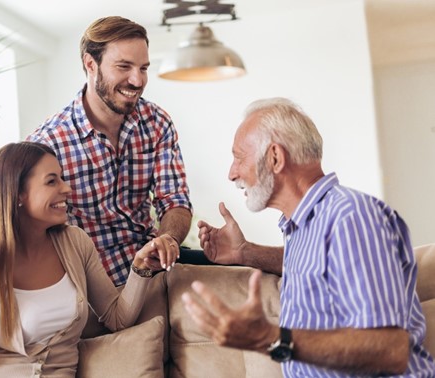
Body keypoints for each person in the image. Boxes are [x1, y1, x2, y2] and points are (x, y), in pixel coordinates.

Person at [0, 15, 209, 287]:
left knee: (232, 269)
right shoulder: (50, 140)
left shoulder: (157, 122)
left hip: (153, 268)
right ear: (90, 64)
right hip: (95, 285)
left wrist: (168, 239)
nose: (137, 80)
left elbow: (174, 199)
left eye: (143, 68)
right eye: (124, 66)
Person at [182, 97, 435, 376]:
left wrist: (269, 337)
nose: (232, 173)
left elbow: (390, 351)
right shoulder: (306, 226)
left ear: (275, 157)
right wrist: (244, 252)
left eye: (239, 157)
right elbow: (321, 267)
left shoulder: (351, 217)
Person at [0, 141, 176, 377]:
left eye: (62, 178)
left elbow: (117, 318)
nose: (66, 189)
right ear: (18, 194)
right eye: (52, 181)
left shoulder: (75, 244)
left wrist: (141, 267)